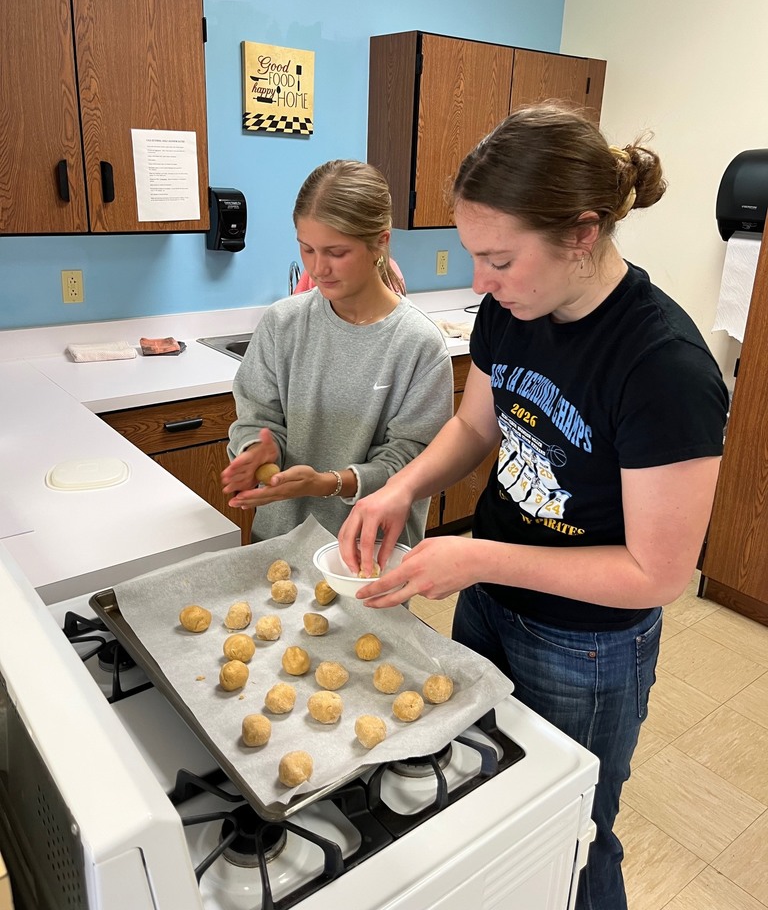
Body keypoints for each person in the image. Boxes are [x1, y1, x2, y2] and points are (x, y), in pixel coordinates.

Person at [337, 106, 729, 910]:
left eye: (499, 259)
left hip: (584, 647)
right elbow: (477, 423)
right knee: (493, 807)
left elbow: (657, 574)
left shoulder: (664, 367)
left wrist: (474, 554)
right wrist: (402, 486)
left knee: (574, 830)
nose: (481, 281)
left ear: (582, 235)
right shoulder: (513, 311)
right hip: (491, 607)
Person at [222, 159, 453, 546]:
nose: (319, 267)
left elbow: (412, 460)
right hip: (282, 541)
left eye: (337, 251)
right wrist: (256, 448)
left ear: (380, 241)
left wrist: (328, 484)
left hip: (371, 549)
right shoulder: (283, 324)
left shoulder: (418, 344)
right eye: (307, 249)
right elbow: (257, 417)